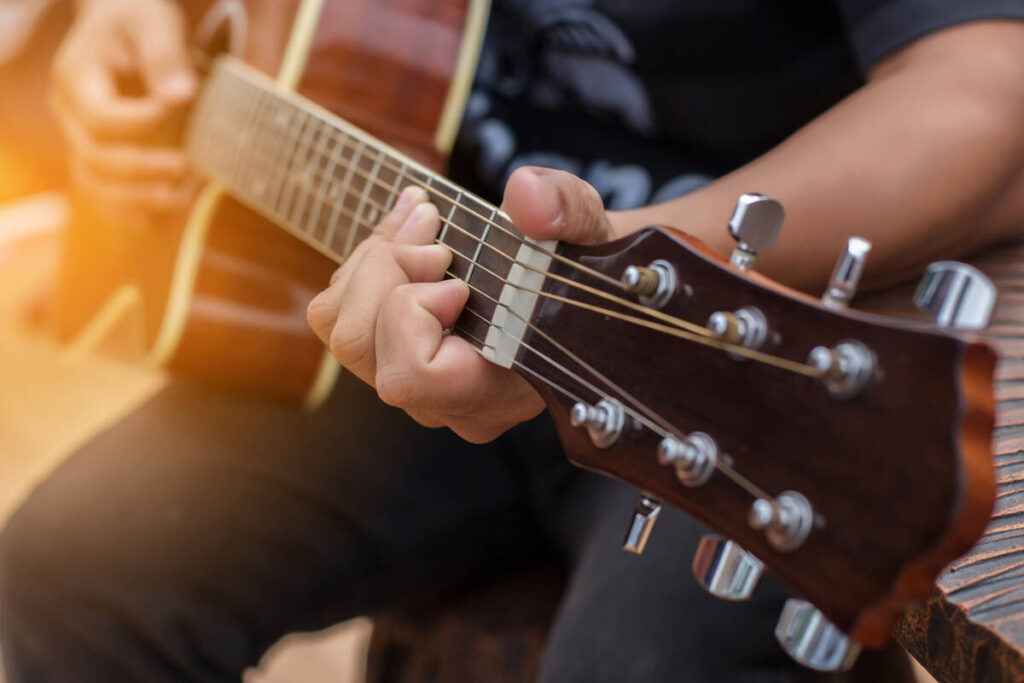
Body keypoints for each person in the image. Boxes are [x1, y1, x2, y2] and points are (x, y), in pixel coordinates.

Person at [3, 1, 1023, 683]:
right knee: (64, 571)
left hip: (721, 360)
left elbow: (986, 91)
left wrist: (618, 266)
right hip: (414, 289)